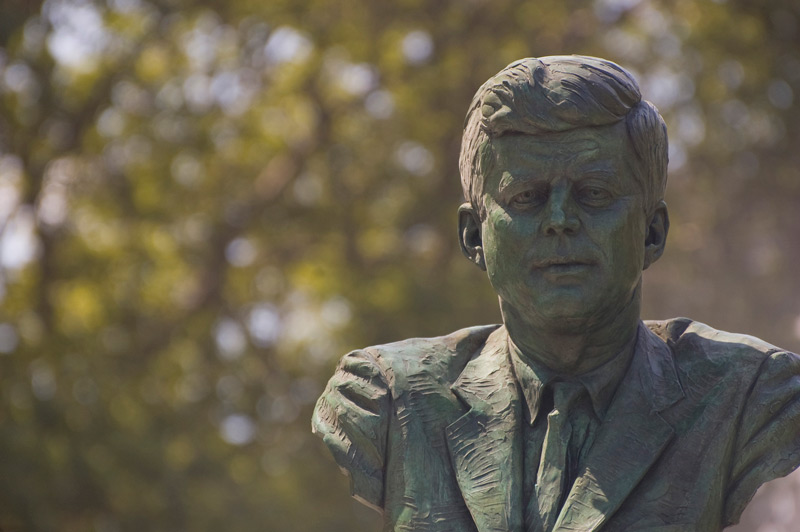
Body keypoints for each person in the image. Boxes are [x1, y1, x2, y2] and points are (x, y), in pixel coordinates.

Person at [311, 55, 800, 532]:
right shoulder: (385, 403)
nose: (561, 220)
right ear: (473, 237)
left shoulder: (753, 399)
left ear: (652, 232)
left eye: (595, 194)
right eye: (526, 197)